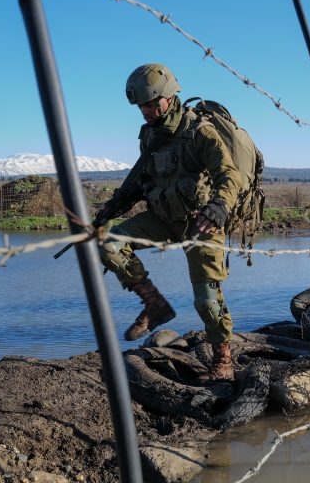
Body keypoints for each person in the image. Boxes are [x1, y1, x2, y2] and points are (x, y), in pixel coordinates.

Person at [99, 63, 242, 382]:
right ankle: (155, 304)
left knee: (206, 299)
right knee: (109, 243)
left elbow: (228, 174)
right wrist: (116, 204)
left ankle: (222, 357)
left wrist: (219, 205)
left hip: (201, 222)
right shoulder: (149, 135)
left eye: (151, 104)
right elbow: (144, 179)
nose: (146, 111)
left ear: (168, 97)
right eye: (141, 106)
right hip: (163, 219)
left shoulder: (199, 130)